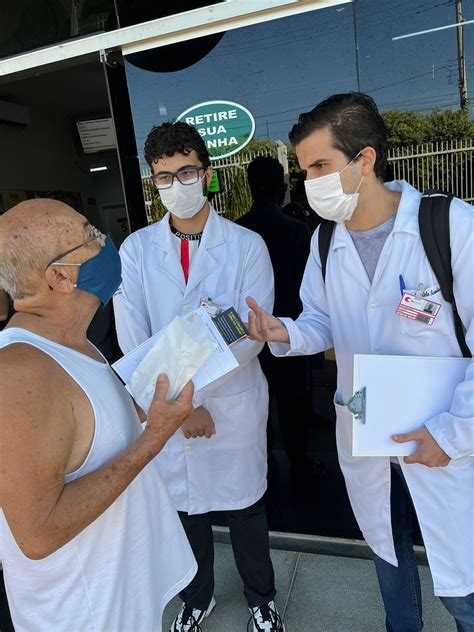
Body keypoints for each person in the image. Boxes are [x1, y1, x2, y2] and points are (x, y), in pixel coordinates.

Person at [246, 93, 474, 632]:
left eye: (320, 165)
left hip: (441, 434)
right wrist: (287, 331)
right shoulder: (326, 241)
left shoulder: (449, 225)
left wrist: (454, 433)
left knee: (464, 586)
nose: (310, 182)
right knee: (388, 555)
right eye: (304, 170)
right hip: (367, 430)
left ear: (364, 159)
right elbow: (323, 321)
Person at [113, 121, 284, 632]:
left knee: (246, 511)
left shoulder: (246, 245)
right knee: (188, 516)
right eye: (164, 177)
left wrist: (198, 398)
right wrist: (182, 408)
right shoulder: (137, 250)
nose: (175, 184)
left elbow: (253, 334)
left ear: (206, 174)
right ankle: (198, 595)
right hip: (169, 409)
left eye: (185, 171)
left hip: (232, 402)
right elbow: (133, 338)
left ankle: (262, 598)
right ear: (153, 182)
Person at [0, 199, 197, 631]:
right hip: (86, 614)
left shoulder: (72, 340)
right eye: (90, 235)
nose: (105, 242)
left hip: (118, 597)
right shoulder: (19, 375)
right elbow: (38, 534)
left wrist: (152, 406)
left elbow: (87, 431)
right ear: (60, 277)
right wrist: (156, 436)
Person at [237, 156, 324, 489]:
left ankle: (266, 468)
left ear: (249, 187)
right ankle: (300, 465)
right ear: (283, 187)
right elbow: (312, 290)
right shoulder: (297, 230)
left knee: (258, 406)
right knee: (293, 405)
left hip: (249, 334)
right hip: (290, 331)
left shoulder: (238, 232)